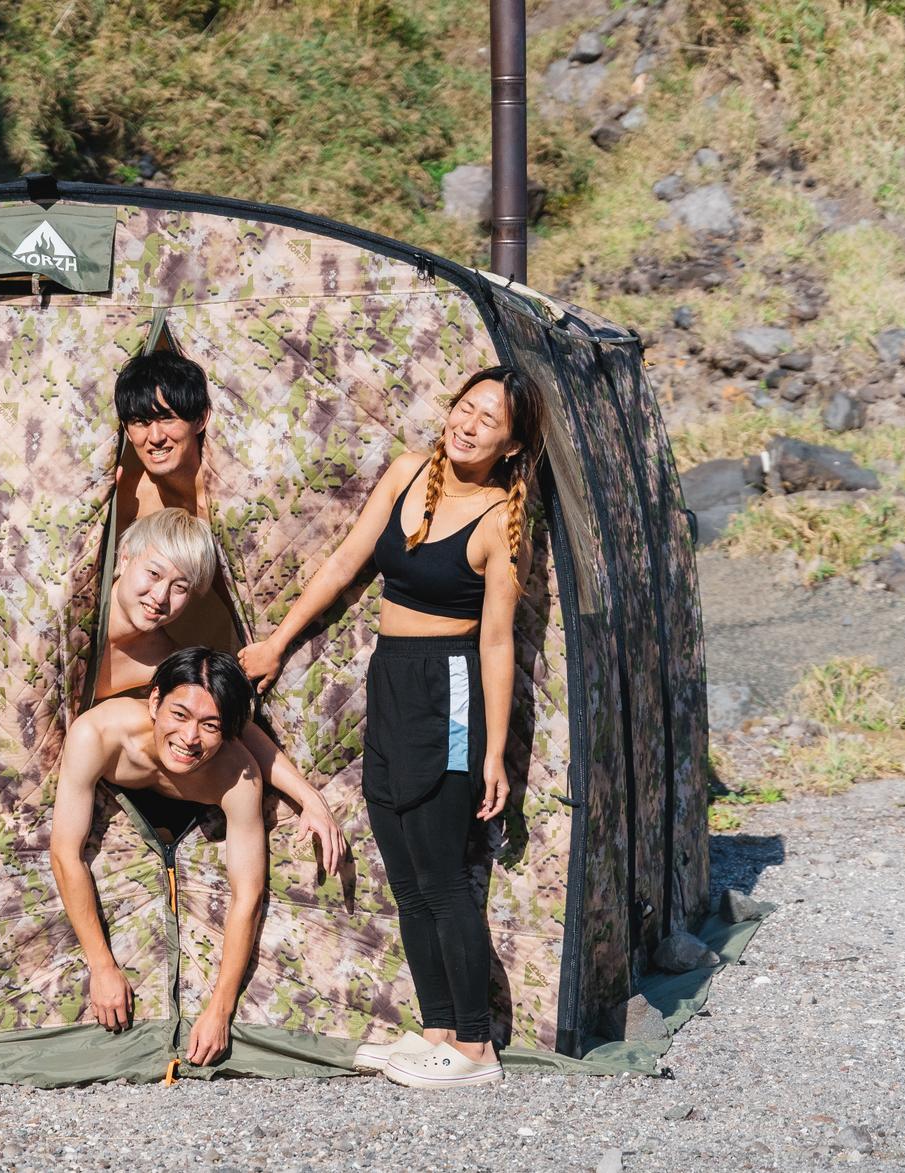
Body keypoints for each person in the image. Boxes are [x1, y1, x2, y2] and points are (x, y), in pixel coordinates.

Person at [237, 365, 546, 1090]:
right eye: (464, 407)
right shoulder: (411, 471)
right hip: (392, 679)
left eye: (488, 420)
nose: (468, 424)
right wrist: (277, 641)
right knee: (405, 874)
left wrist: (493, 754)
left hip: (451, 688)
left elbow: (497, 641)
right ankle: (437, 1031)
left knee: (442, 875)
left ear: (509, 445)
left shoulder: (501, 521)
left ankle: (476, 1047)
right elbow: (347, 560)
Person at [92, 507, 347, 873]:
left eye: (180, 587)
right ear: (125, 558)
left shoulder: (163, 658)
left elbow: (239, 725)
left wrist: (309, 797)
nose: (160, 596)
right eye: (153, 574)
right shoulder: (74, 613)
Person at [51, 648, 265, 1067]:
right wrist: (101, 965)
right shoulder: (98, 734)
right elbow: (65, 852)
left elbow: (248, 895)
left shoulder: (236, 776)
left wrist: (220, 1010)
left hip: (191, 810)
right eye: (179, 715)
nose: (189, 737)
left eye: (210, 725)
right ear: (154, 702)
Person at [112, 350, 209, 532]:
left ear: (200, 420)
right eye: (140, 422)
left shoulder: (229, 496)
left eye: (167, 419)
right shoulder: (130, 496)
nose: (156, 437)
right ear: (127, 431)